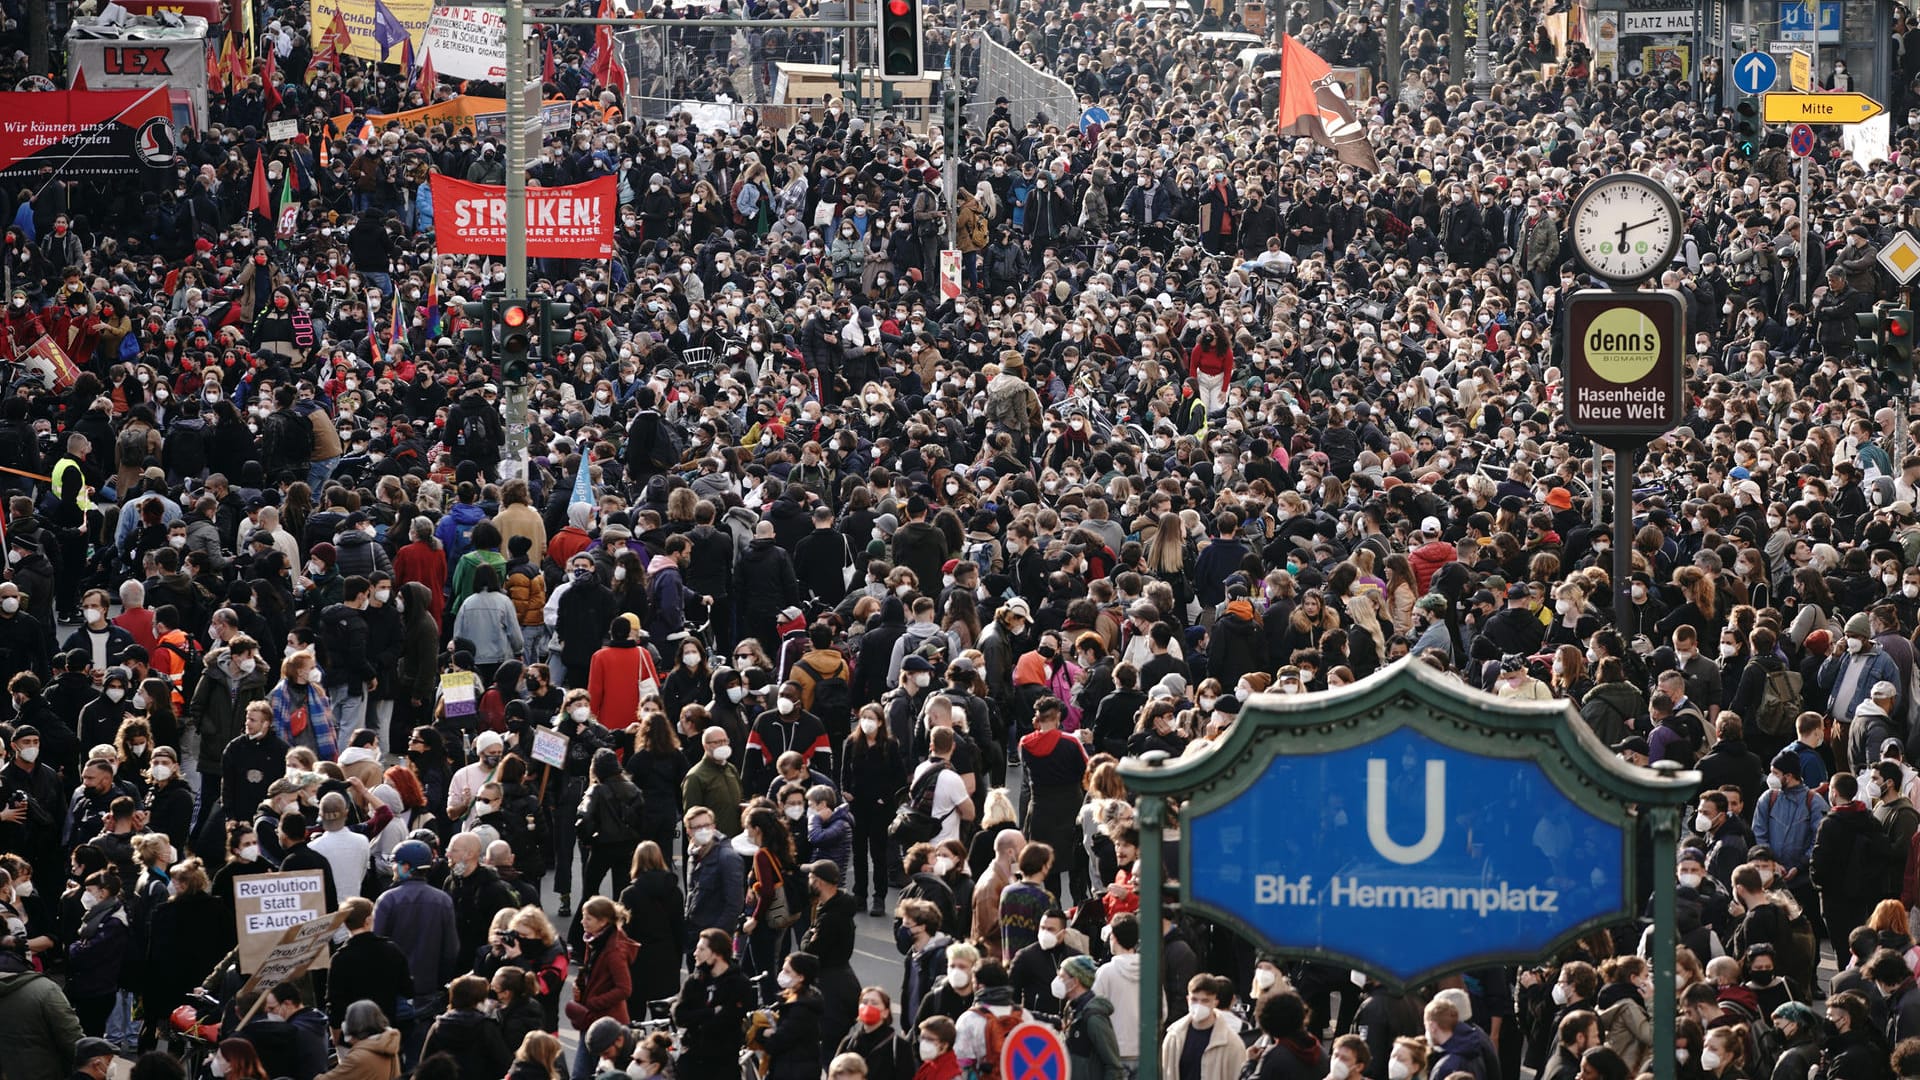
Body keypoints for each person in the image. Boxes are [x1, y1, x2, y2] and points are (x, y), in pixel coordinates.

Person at [1160, 974, 1248, 1080]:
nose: (1199, 1005)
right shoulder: (1174, 1037)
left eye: (1205, 1001)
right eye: (1194, 999)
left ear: (1215, 1002)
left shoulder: (1231, 1043)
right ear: (1188, 999)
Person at [1059, 953, 1124, 1080]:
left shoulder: (1093, 1018)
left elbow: (1113, 1066)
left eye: (1062, 977)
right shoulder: (1073, 1011)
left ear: (1075, 981)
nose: (1058, 981)